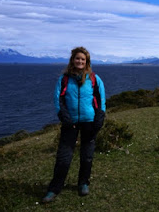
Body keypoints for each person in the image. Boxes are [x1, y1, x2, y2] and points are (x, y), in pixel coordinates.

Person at [42, 47, 106, 203]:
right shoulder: (64, 79)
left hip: (89, 122)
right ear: (73, 60)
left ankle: (83, 183)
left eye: (83, 59)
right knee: (64, 158)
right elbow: (59, 100)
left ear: (87, 62)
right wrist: (64, 116)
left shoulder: (94, 79)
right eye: (77, 58)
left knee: (87, 156)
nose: (80, 61)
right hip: (70, 123)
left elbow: (101, 100)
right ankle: (54, 188)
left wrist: (100, 117)